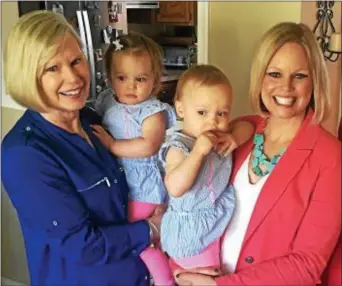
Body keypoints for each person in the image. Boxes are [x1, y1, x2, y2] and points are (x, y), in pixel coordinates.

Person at [174, 22, 341, 286]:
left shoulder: (330, 157)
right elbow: (191, 205)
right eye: (274, 74)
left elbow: (308, 264)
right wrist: (180, 268)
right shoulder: (238, 131)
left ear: (315, 81)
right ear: (260, 77)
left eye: (299, 76)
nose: (285, 87)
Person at [1, 11, 161, 286]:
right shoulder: (24, 154)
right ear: (29, 75)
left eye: (76, 61)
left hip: (137, 274)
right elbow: (83, 246)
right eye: (53, 68)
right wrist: (152, 229)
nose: (74, 78)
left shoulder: (93, 120)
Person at [90, 33, 176, 285]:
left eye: (140, 79)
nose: (131, 86)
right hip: (120, 186)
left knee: (143, 242)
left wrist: (112, 144)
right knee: (128, 240)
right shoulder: (106, 100)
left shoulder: (152, 111)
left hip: (143, 189)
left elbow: (149, 145)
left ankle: (165, 281)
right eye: (121, 78)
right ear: (109, 78)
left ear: (155, 80)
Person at [158, 65, 254, 272]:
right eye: (202, 112)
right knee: (207, 275)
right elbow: (174, 187)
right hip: (191, 231)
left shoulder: (221, 136)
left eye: (222, 113)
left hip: (214, 219)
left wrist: (234, 137)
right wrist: (197, 153)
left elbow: (248, 126)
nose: (213, 120)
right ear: (181, 109)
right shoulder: (180, 147)